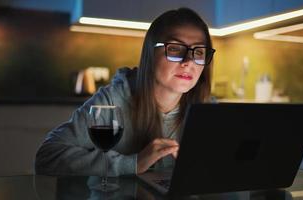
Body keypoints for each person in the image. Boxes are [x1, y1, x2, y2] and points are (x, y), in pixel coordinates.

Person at [35, 7, 215, 176]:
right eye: (175, 48)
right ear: (150, 54)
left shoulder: (209, 108)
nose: (188, 61)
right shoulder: (112, 100)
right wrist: (133, 164)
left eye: (198, 52)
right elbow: (48, 155)